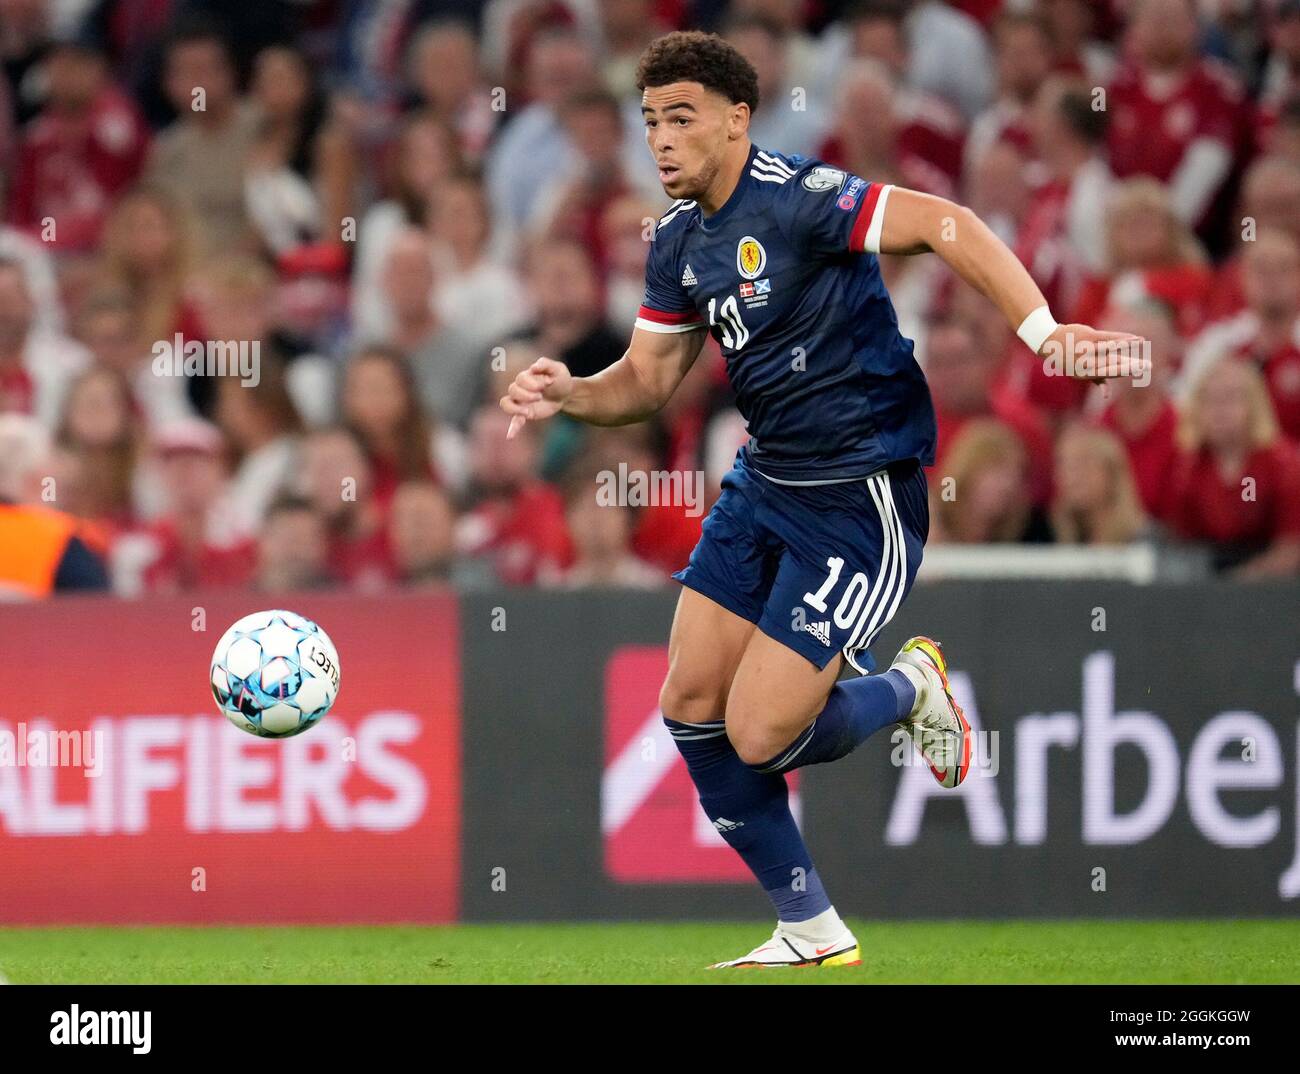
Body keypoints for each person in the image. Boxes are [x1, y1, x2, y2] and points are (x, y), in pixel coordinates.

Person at [500, 31, 1143, 968]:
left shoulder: (801, 198)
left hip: (860, 494)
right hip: (767, 481)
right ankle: (809, 926)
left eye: (681, 118)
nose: (661, 140)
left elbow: (947, 223)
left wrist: (1044, 334)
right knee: (688, 702)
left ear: (737, 119)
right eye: (650, 122)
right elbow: (645, 381)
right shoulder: (677, 241)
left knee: (761, 734)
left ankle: (910, 686)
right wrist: (570, 391)